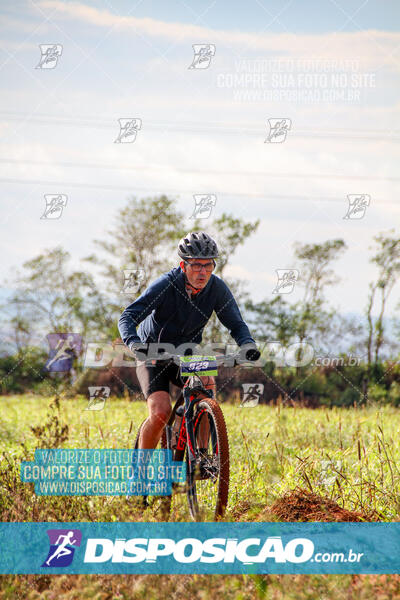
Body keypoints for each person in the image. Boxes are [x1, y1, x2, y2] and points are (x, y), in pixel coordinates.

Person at [118, 231, 260, 451]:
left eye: (208, 265)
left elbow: (236, 324)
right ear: (183, 266)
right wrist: (136, 345)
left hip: (185, 354)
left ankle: (201, 457)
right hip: (153, 353)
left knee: (207, 384)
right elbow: (128, 316)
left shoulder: (217, 289)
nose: (202, 272)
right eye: (196, 265)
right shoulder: (166, 285)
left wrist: (247, 345)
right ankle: (139, 472)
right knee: (161, 412)